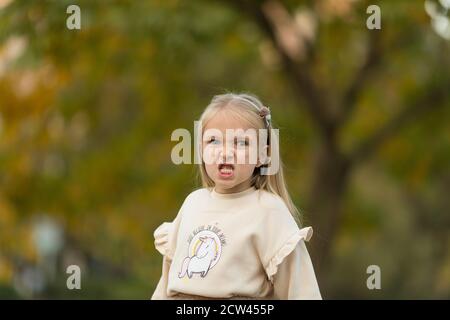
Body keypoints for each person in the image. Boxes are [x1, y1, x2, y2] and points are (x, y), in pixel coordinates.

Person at [151, 93, 322, 299]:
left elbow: (301, 290)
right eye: (213, 140)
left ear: (263, 155)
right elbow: (166, 282)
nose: (225, 152)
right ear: (201, 150)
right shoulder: (193, 204)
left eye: (241, 143)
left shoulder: (269, 211)